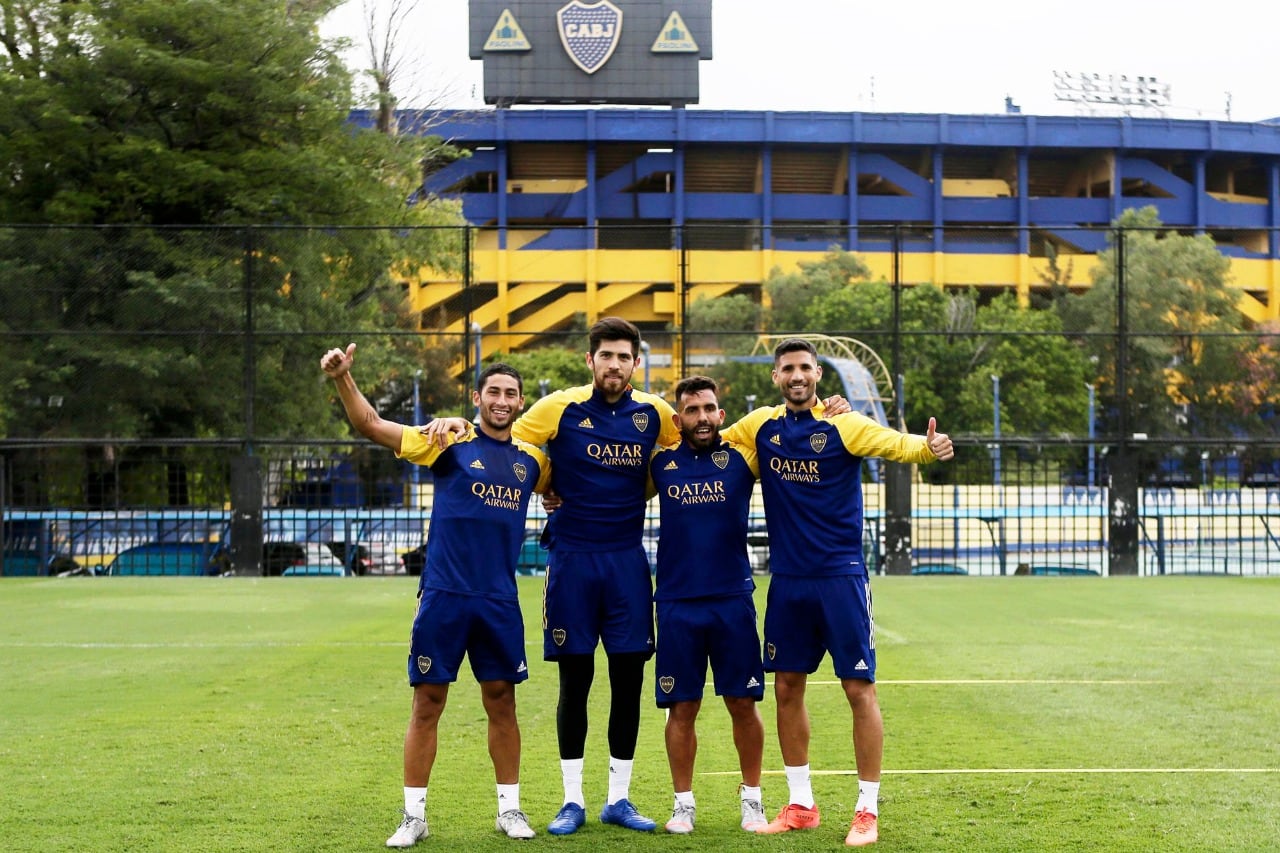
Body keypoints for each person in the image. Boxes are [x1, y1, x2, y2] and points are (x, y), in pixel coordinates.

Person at [422, 316, 679, 835]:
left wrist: (828, 410)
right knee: (575, 681)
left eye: (623, 357)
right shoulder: (558, 407)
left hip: (627, 562)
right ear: (590, 361)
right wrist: (458, 425)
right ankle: (571, 800)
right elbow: (500, 437)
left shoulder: (656, 414)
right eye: (605, 355)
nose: (614, 364)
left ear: (635, 362)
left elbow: (693, 447)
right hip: (572, 563)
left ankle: (619, 799)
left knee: (628, 682)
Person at [721, 338, 954, 848]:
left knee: (858, 689)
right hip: (787, 582)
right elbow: (706, 438)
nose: (797, 375)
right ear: (776, 377)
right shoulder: (760, 425)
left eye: (806, 367)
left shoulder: (843, 424)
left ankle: (866, 811)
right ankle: (801, 805)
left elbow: (896, 444)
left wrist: (929, 448)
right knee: (786, 689)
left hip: (841, 578)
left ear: (819, 375)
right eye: (788, 369)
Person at [320, 344, 550, 847]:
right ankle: (413, 816)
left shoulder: (531, 462)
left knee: (502, 702)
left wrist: (558, 498)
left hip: (498, 601)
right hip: (444, 595)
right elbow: (371, 424)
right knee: (427, 703)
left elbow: (568, 488)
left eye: (511, 393)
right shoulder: (446, 442)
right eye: (494, 392)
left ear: (520, 401)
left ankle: (509, 810)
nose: (503, 400)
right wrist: (343, 378)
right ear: (478, 397)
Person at [647, 375, 769, 835]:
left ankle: (752, 799)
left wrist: (828, 407)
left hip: (732, 599)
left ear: (722, 414)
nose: (701, 418)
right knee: (682, 707)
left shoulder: (743, 458)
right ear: (678, 419)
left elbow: (795, 441)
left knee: (742, 702)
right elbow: (608, 487)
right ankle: (683, 803)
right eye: (692, 411)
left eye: (709, 409)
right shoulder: (659, 465)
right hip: (677, 601)